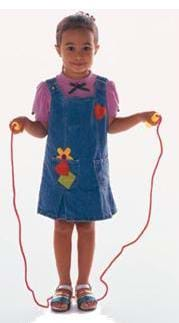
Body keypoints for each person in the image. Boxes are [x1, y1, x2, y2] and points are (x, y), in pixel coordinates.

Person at [9, 12, 158, 312]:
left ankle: (84, 283)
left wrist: (140, 117)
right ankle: (63, 283)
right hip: (61, 170)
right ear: (58, 49)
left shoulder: (105, 88)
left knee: (87, 226)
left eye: (86, 47)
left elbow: (110, 125)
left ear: (97, 48)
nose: (79, 55)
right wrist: (26, 123)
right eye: (71, 47)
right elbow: (44, 130)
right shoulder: (47, 89)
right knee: (62, 225)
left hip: (92, 168)